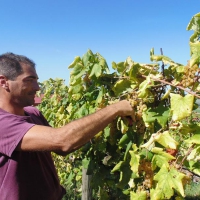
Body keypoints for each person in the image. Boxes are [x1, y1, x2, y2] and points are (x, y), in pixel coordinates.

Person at [0, 52, 135, 200]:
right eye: (30, 80)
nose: (38, 87)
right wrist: (115, 109)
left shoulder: (33, 114)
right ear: (3, 82)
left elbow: (61, 150)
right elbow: (62, 141)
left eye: (36, 80)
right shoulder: (2, 124)